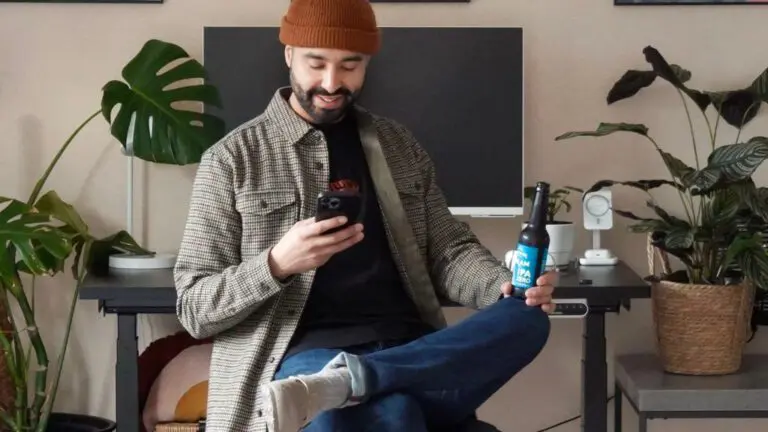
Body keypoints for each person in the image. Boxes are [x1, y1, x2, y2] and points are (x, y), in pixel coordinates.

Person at [173, 0, 554, 431]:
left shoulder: (398, 144)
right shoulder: (231, 159)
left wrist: (500, 286)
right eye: (316, 64)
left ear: (366, 63)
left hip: (409, 346)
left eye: (349, 66)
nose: (332, 82)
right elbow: (194, 307)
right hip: (304, 355)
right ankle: (353, 382)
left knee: (526, 318)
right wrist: (277, 263)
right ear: (288, 56)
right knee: (397, 413)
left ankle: (362, 379)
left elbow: (449, 249)